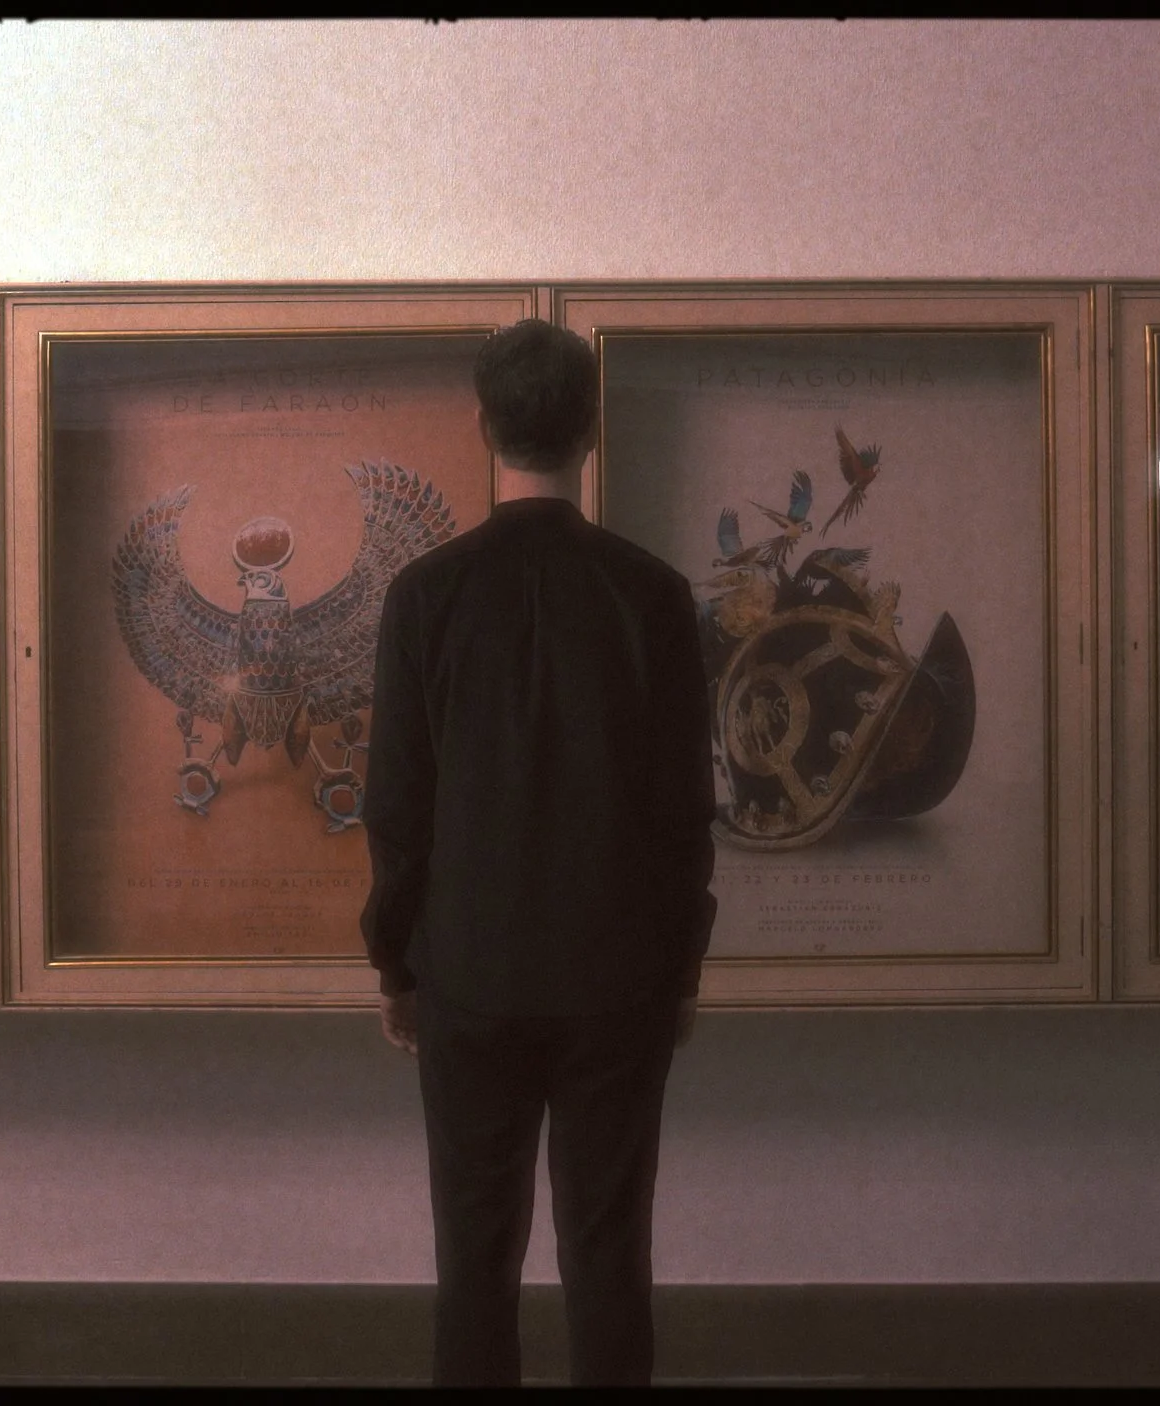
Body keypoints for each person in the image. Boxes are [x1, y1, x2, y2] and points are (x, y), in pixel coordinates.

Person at [360, 318, 718, 1387]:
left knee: (472, 1253)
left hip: (468, 971)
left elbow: (396, 804)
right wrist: (682, 966)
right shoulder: (648, 592)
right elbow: (681, 809)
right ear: (591, 429)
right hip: (619, 979)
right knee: (610, 1250)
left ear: (481, 423)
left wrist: (395, 961)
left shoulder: (423, 595)